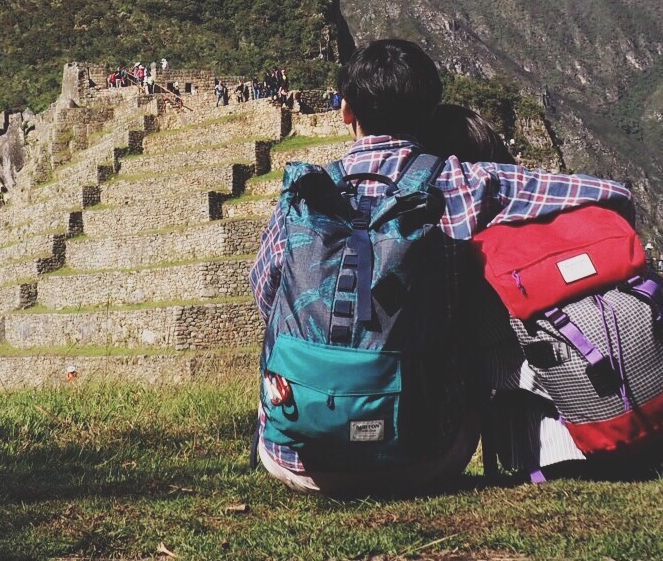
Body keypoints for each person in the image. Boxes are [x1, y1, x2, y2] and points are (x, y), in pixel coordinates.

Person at [251, 39, 632, 495]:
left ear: (346, 110)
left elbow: (266, 294)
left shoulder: (306, 193)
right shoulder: (461, 181)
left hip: (295, 458)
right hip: (424, 458)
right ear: (431, 112)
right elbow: (610, 193)